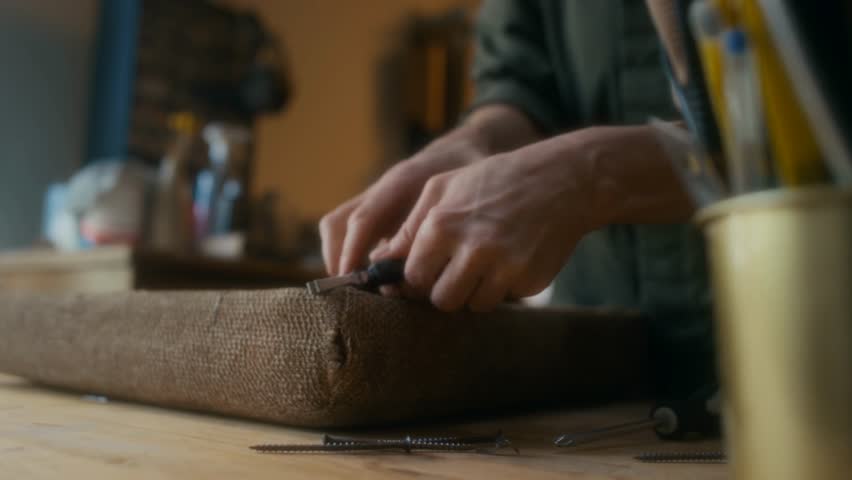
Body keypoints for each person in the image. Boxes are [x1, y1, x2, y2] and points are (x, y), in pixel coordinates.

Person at [321, 0, 715, 395]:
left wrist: (588, 175)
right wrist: (476, 143)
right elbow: (519, 84)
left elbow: (765, 143)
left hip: (759, 346)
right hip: (592, 377)